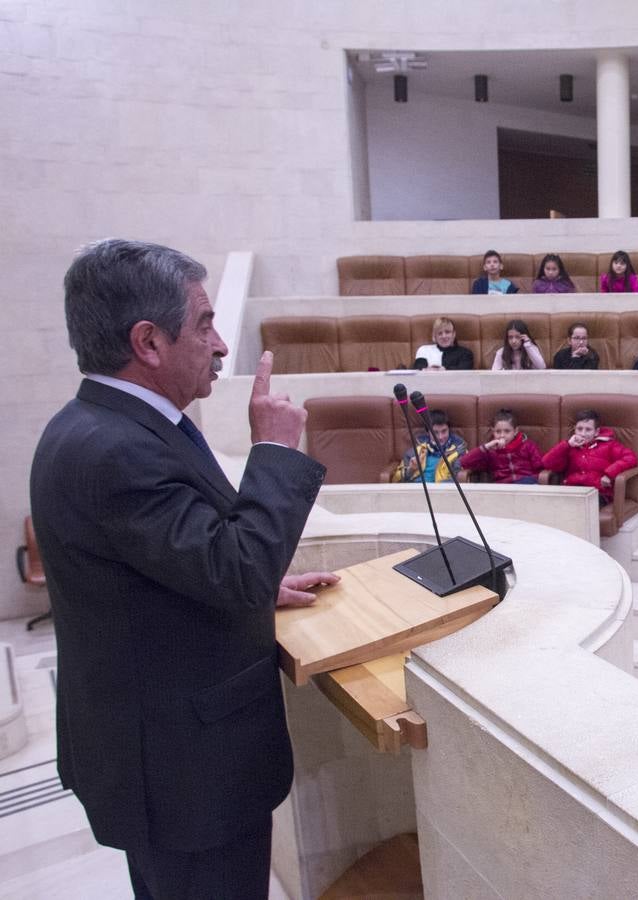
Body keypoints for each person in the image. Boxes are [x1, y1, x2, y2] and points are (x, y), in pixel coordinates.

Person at [30, 239, 337, 899]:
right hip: (183, 776)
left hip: (158, 756)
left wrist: (256, 590)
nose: (221, 344)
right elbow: (236, 569)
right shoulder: (118, 450)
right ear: (148, 342)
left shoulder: (97, 424)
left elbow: (168, 564)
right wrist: (274, 449)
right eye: (203, 324)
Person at [541, 408, 638, 505]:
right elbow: (546, 463)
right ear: (575, 429)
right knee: (552, 506)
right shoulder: (569, 446)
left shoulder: (609, 445)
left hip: (598, 492)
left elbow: (630, 458)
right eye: (579, 429)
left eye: (588, 430)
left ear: (596, 432)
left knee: (579, 508)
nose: (583, 434)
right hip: (572, 490)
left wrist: (609, 474)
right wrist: (567, 445)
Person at [460, 408, 544, 484]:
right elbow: (464, 462)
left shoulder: (528, 445)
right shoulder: (491, 451)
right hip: (502, 487)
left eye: (507, 431)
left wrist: (534, 479)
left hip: (526, 484)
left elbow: (540, 467)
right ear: (493, 432)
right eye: (498, 432)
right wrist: (486, 447)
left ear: (515, 431)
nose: (502, 435)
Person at [391, 408, 467, 483]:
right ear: (428, 432)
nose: (440, 437)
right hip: (415, 489)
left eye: (444, 431)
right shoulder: (416, 450)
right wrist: (411, 470)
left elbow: (458, 478)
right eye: (435, 433)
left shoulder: (459, 451)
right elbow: (396, 480)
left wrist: (438, 487)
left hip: (441, 491)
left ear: (449, 430)